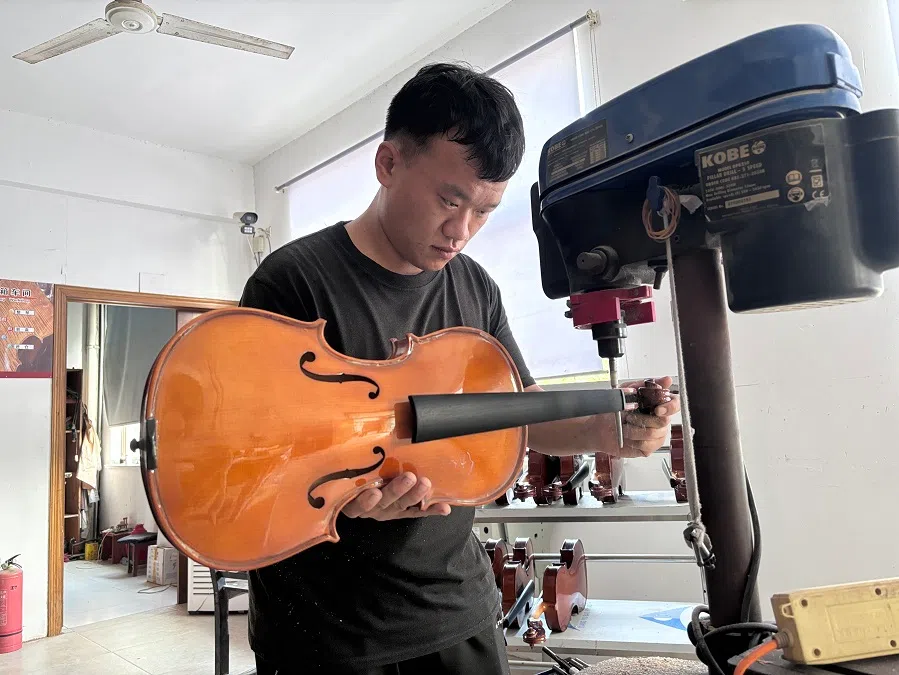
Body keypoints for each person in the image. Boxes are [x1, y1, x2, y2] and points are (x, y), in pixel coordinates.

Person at [239, 62, 680, 675]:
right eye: (449, 200)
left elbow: (514, 413)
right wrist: (339, 500)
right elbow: (245, 461)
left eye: (485, 211)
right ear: (388, 164)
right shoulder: (292, 281)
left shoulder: (475, 289)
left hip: (456, 617)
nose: (462, 231)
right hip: (322, 634)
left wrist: (610, 427)